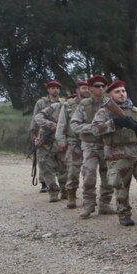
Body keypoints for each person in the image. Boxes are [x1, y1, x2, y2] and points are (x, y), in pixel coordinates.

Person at [91, 80, 137, 225]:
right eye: (117, 92)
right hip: (117, 154)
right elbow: (94, 130)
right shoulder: (104, 111)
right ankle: (124, 214)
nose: (121, 94)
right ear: (110, 95)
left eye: (123, 91)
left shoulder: (136, 111)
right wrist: (113, 123)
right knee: (121, 187)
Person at [70, 75, 115, 219]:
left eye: (103, 86)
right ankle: (89, 204)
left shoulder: (111, 103)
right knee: (89, 175)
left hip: (108, 144)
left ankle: (105, 204)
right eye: (97, 86)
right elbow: (74, 125)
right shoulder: (84, 104)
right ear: (90, 88)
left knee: (108, 176)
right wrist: (94, 128)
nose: (100, 88)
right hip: (90, 145)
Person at [55, 80, 90, 208]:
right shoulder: (69, 105)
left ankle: (88, 197)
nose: (86, 90)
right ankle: (71, 195)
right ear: (77, 90)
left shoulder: (93, 104)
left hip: (89, 142)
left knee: (89, 172)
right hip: (73, 142)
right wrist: (61, 141)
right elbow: (61, 124)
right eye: (84, 88)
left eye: (88, 88)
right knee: (73, 170)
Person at [33, 81, 67, 202]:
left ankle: (65, 190)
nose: (55, 90)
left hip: (60, 139)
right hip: (45, 138)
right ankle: (52, 191)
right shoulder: (42, 103)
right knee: (46, 166)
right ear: (48, 90)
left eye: (57, 88)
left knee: (64, 166)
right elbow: (36, 118)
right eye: (52, 88)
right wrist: (34, 134)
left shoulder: (64, 103)